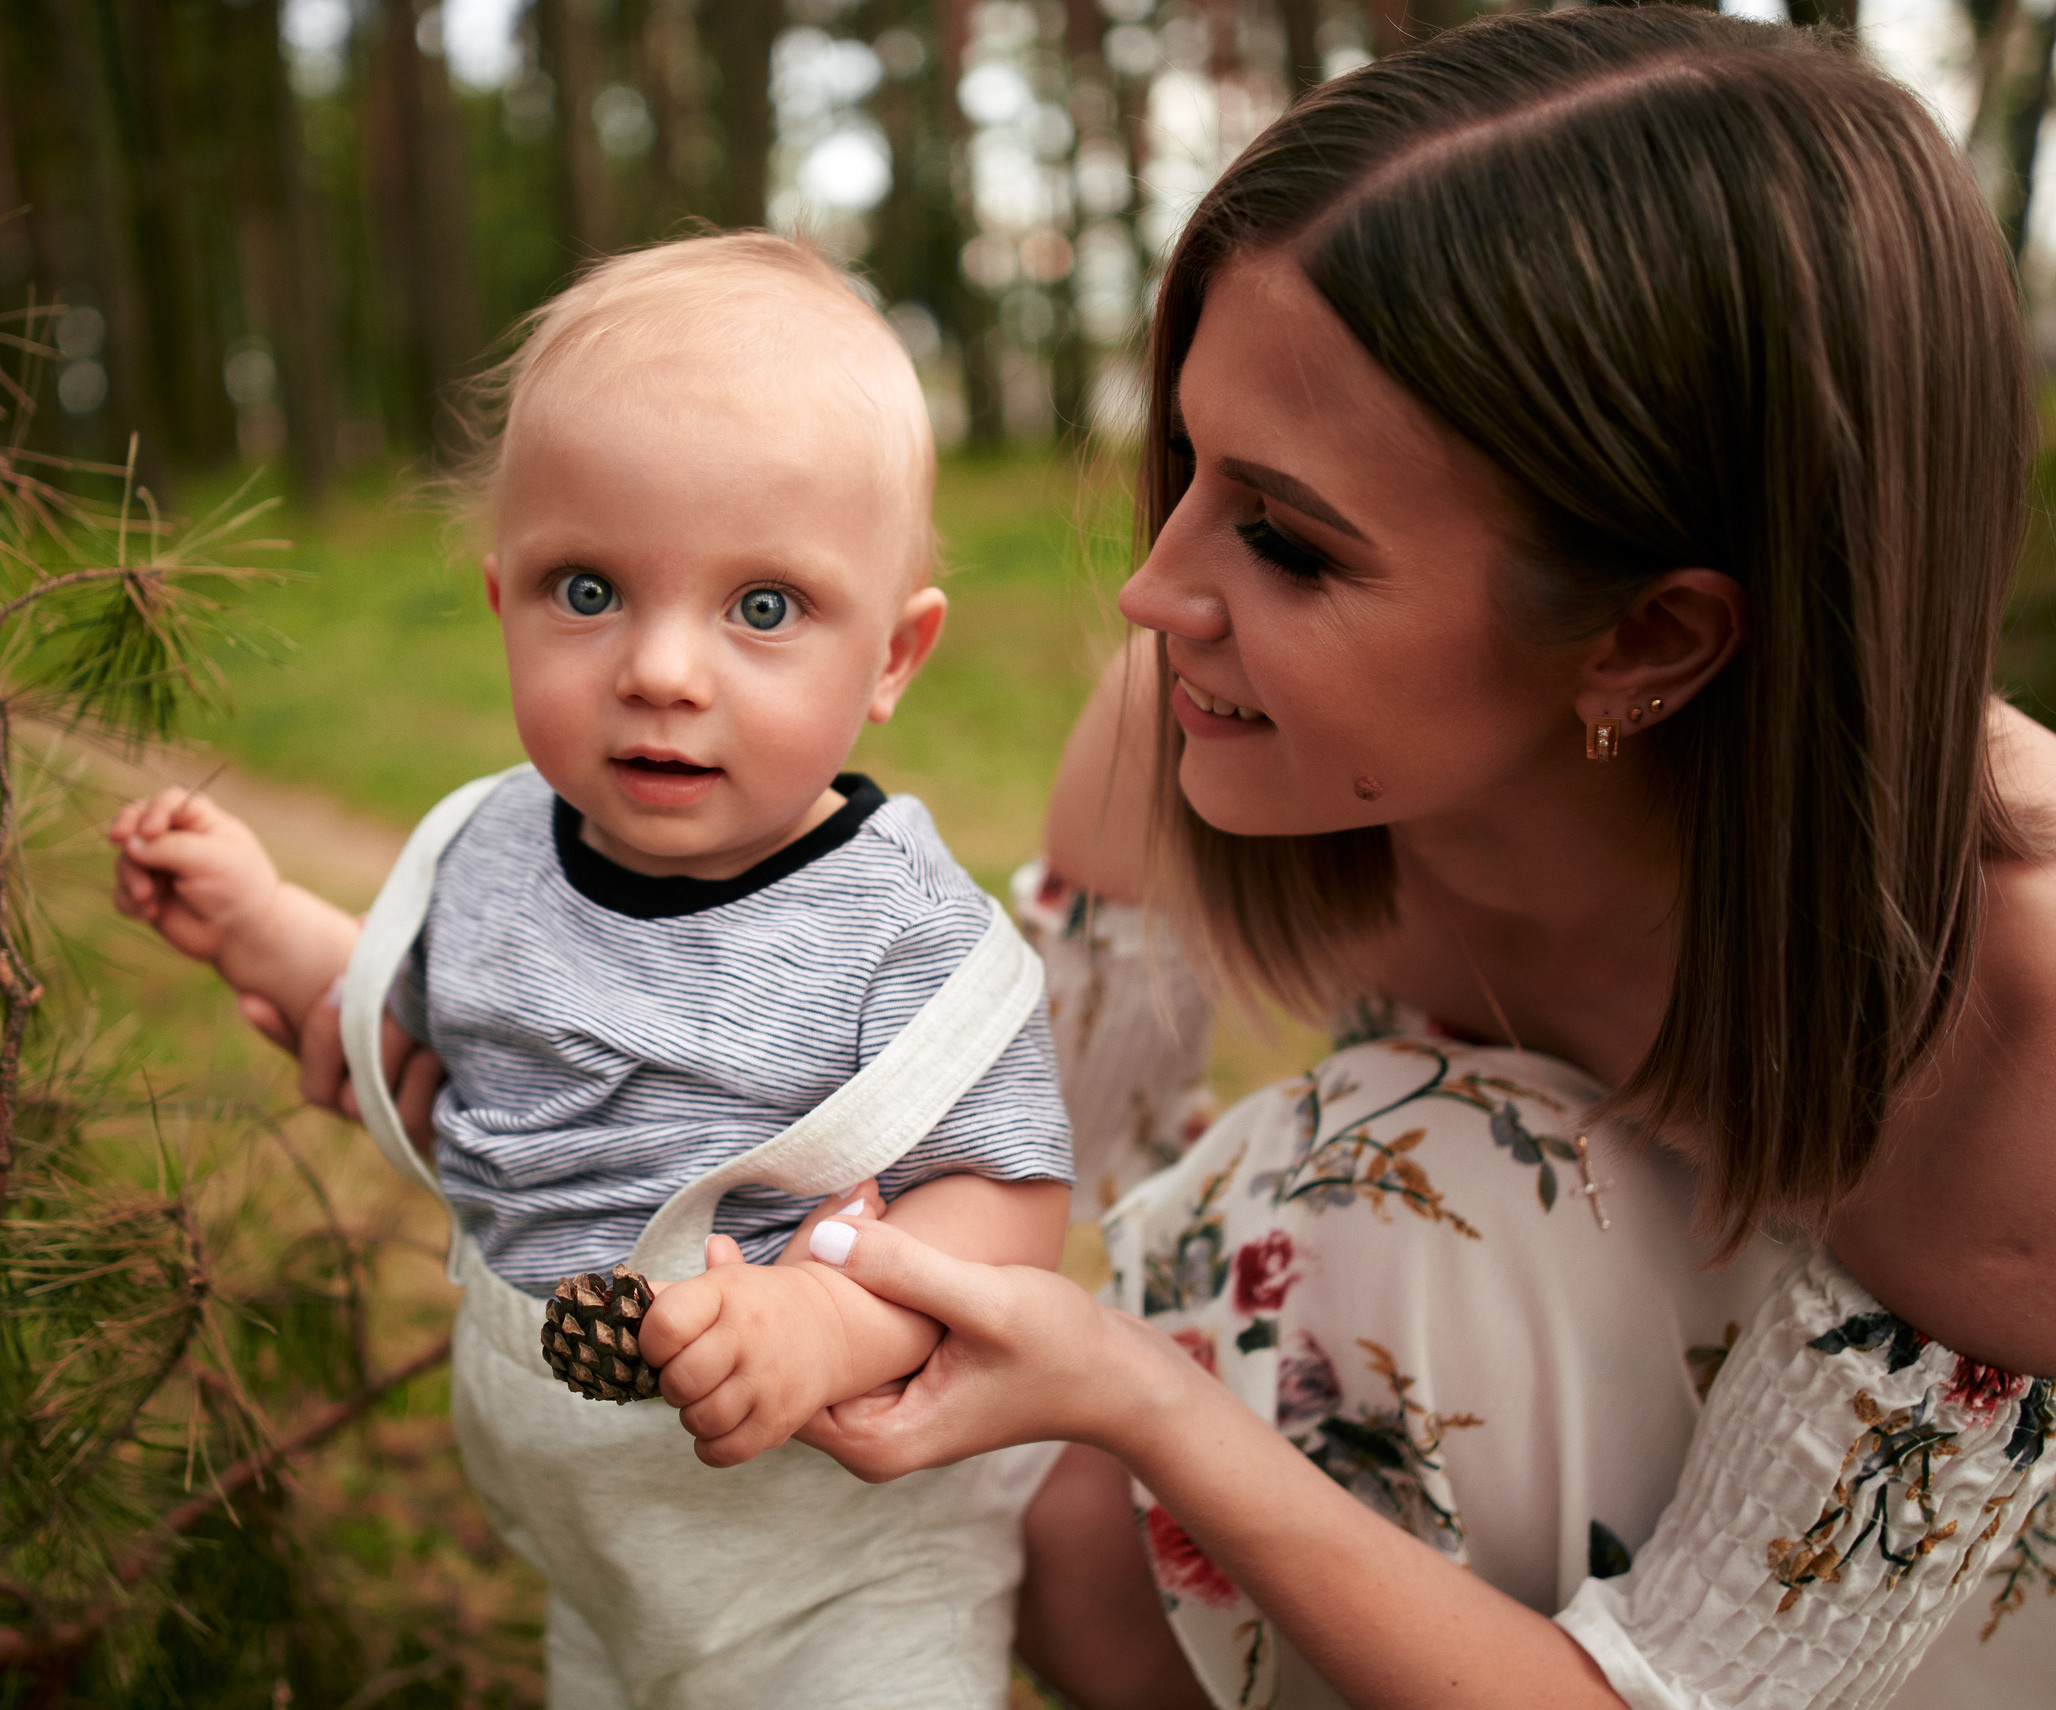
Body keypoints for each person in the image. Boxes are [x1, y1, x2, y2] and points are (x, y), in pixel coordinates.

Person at [779, 10, 2056, 1710]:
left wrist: (1144, 1396)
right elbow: (959, 1174)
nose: (1154, 594)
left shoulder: (2008, 1012)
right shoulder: (1183, 721)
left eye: (1286, 537)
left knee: (1362, 1191)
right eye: (1187, 463)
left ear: (1647, 638)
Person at [106, 232, 1075, 1709]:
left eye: (763, 608)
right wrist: (259, 923)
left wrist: (830, 1322)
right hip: (596, 1554)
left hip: (846, 1562)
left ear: (893, 656)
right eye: (588, 590)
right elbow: (402, 1002)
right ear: (500, 598)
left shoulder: (902, 928)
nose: (662, 669)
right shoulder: (493, 852)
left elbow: (1011, 1204)